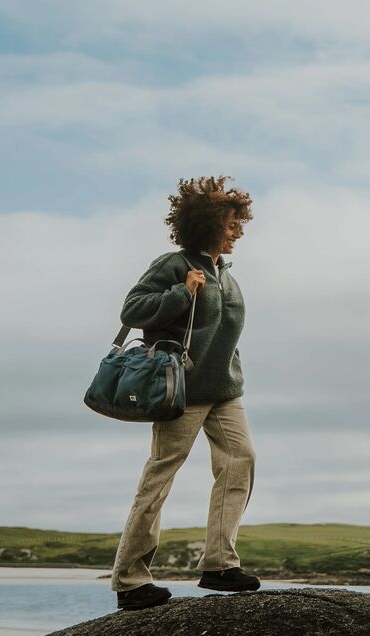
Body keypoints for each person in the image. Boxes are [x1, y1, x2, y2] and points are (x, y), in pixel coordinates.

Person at [109, 176, 262, 610]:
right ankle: (130, 580)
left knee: (241, 461)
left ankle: (218, 565)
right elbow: (132, 309)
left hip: (226, 390)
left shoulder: (225, 274)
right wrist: (181, 292)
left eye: (240, 224)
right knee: (160, 476)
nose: (240, 231)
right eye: (233, 224)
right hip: (181, 391)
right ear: (208, 223)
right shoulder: (175, 265)